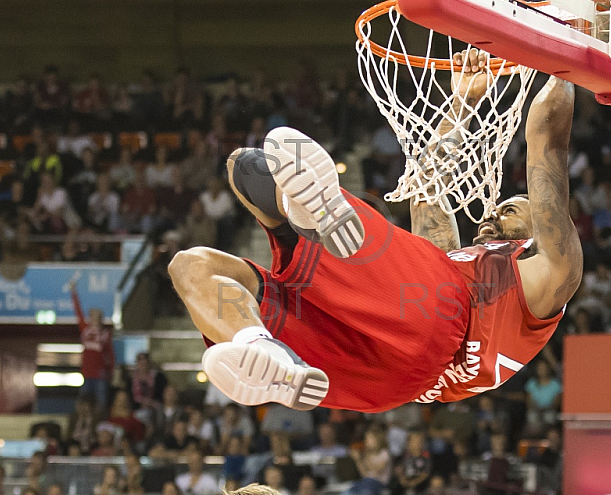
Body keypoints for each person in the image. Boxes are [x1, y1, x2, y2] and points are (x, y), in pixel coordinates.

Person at [168, 51, 582, 413]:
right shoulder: (456, 267)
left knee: (425, 270)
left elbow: (547, 144)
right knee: (200, 251)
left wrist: (562, 58)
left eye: (510, 210)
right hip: (366, 371)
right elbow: (427, 193)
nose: (492, 212)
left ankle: (311, 217)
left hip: (425, 331)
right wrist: (459, 104)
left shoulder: (548, 274)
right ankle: (259, 343)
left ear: (536, 230)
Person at [70, 278, 115, 411]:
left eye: (98, 316)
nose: (95, 319)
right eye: (93, 316)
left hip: (100, 374)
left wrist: (111, 372)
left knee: (101, 403)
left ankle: (99, 422)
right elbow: (78, 312)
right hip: (87, 373)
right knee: (83, 401)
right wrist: (73, 292)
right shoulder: (85, 330)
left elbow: (110, 355)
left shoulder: (105, 334)